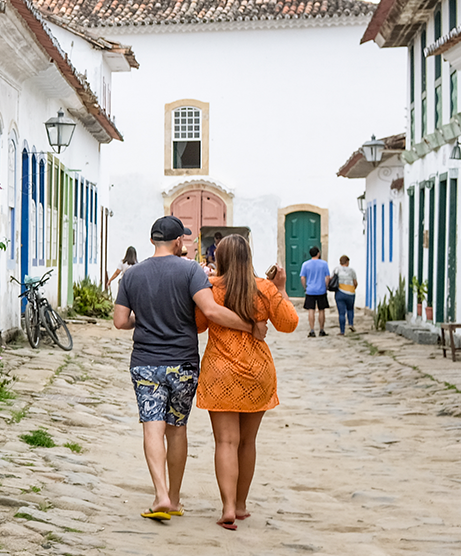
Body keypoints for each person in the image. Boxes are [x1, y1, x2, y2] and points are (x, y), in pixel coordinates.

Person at [113, 216, 266, 521]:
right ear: (178, 241)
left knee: (151, 426)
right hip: (182, 362)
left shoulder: (131, 276)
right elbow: (210, 311)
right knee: (176, 428)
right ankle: (175, 498)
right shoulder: (190, 270)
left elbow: (119, 321)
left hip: (145, 361)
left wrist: (141, 320)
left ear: (152, 240)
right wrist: (248, 326)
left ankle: (159, 494)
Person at [195, 235, 299, 531]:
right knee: (247, 442)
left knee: (225, 441)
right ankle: (241, 505)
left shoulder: (211, 289)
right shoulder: (264, 289)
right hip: (257, 372)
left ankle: (227, 507)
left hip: (220, 371)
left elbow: (199, 325)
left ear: (221, 259)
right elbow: (289, 324)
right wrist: (280, 288)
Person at [299, 246, 330, 337]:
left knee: (311, 310)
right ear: (318, 253)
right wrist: (326, 286)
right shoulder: (324, 264)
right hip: (321, 290)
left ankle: (312, 330)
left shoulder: (305, 264)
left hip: (310, 290)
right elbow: (327, 277)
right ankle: (321, 329)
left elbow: (302, 277)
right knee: (321, 310)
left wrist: (305, 287)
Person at [332, 255, 358, 334]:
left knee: (341, 313)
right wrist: (353, 289)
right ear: (347, 262)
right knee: (350, 309)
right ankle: (351, 324)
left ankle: (342, 331)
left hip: (340, 292)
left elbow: (331, 279)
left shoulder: (336, 270)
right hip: (350, 293)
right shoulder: (352, 270)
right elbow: (355, 282)